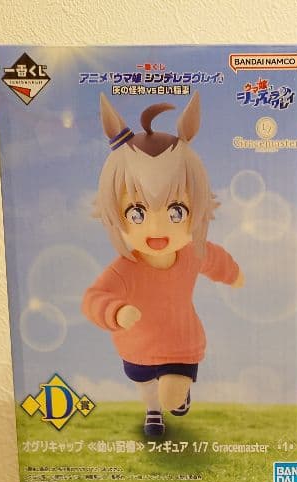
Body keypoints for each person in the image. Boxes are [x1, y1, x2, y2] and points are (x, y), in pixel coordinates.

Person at [83, 94, 243, 437]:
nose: (156, 228)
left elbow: (215, 259)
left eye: (176, 212)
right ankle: (152, 412)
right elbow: (94, 298)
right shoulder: (125, 268)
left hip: (182, 340)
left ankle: (173, 398)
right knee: (146, 386)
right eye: (136, 213)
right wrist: (115, 312)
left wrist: (234, 275)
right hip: (137, 344)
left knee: (171, 391)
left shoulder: (191, 254)